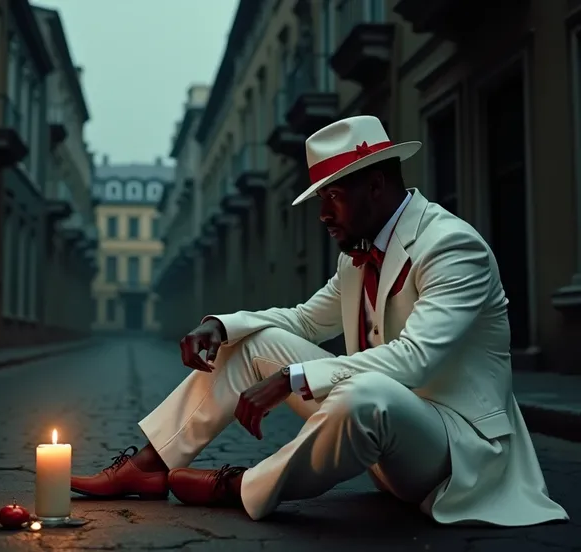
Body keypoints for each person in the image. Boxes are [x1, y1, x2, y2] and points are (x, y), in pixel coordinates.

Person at [71, 116, 569, 526]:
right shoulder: (358, 256)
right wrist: (222, 326)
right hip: (380, 437)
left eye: (334, 197)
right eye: (320, 200)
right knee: (257, 341)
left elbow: (416, 361)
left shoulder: (451, 247)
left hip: (455, 455)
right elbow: (305, 321)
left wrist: (292, 379)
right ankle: (149, 465)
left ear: (376, 186)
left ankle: (245, 486)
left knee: (367, 393)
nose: (324, 215)